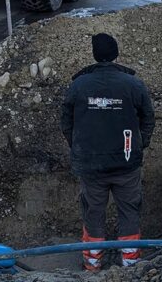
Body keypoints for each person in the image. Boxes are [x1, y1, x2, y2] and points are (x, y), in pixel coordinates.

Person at [61, 33, 155, 272]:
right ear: (115, 54)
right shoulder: (132, 84)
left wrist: (80, 148)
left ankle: (93, 263)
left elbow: (66, 122)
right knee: (129, 209)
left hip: (92, 167)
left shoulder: (79, 85)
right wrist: (138, 145)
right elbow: (148, 118)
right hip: (126, 164)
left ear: (95, 55)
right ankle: (130, 262)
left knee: (93, 211)